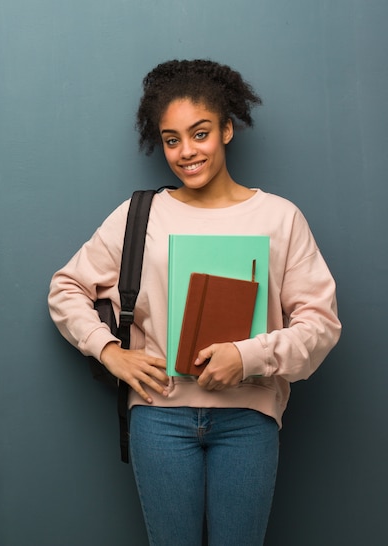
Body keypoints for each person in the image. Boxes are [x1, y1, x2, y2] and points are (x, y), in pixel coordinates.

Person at [48, 59, 341, 546]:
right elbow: (66, 288)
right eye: (171, 140)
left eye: (200, 133)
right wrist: (109, 351)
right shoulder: (141, 214)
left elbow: (321, 325)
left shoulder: (279, 218)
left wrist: (247, 356)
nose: (186, 152)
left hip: (248, 418)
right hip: (159, 414)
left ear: (227, 129)